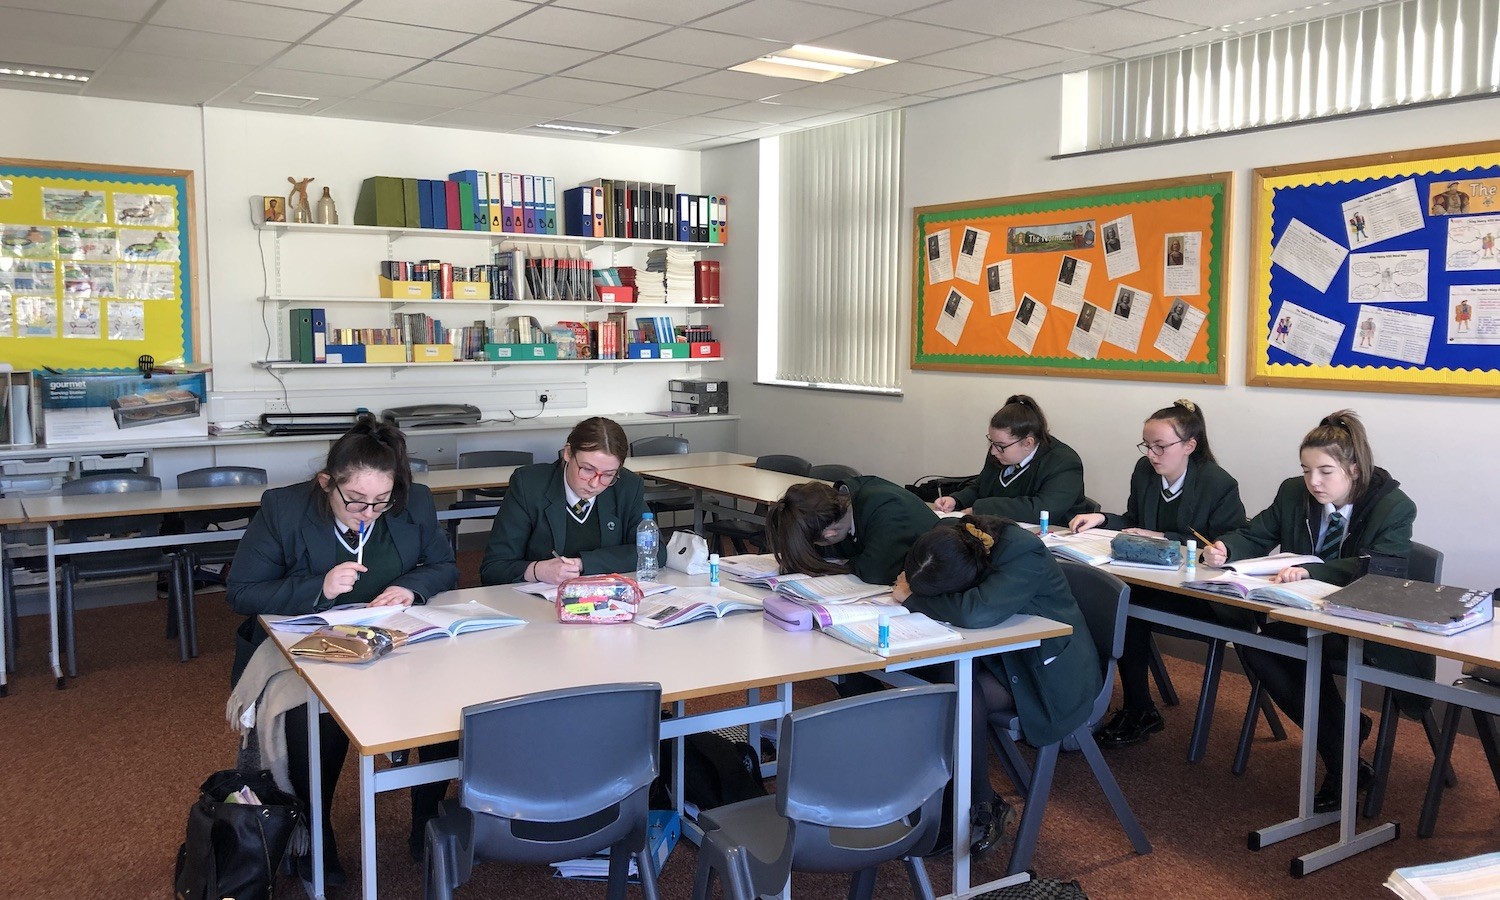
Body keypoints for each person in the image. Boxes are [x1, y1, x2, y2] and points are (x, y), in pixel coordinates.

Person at [226, 413, 459, 881]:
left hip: (393, 638)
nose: (369, 512)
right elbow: (242, 592)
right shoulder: (284, 508)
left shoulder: (412, 502)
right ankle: (317, 833)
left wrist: (410, 588)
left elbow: (444, 566)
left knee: (450, 699)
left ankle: (427, 819)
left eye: (380, 502)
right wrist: (320, 587)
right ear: (326, 483)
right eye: (355, 501)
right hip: (302, 645)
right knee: (314, 715)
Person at [1203, 410, 1417, 812]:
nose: (1313, 482)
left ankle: (1339, 758)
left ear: (1354, 469)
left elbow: (1381, 567)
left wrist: (1312, 569)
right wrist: (1226, 548)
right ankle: (1344, 747)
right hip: (1307, 617)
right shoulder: (1293, 493)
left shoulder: (1393, 506)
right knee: (1258, 647)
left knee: (1298, 653)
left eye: (1325, 471)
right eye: (1306, 470)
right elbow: (1256, 533)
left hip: (1366, 624)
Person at [895, 515, 1100, 858]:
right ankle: (950, 799)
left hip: (1048, 673)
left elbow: (975, 613)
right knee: (934, 683)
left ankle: (979, 805)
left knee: (957, 699)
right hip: (1001, 657)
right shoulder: (952, 539)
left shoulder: (1022, 552)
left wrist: (912, 599)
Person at [1069, 400, 1245, 746]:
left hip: (1202, 594)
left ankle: (1139, 709)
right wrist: (1102, 519)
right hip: (1154, 581)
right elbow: (1134, 522)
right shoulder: (1145, 471)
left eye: (1160, 446)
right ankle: (1095, 701)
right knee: (1105, 598)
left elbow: (1224, 544)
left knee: (1124, 607)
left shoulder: (1217, 483)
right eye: (1147, 445)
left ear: (1189, 446)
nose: (1151, 454)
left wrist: (1163, 537)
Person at [480, 416, 657, 585]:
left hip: (605, 597)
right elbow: (494, 568)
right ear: (568, 453)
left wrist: (582, 563)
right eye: (587, 469)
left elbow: (653, 553)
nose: (594, 483)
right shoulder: (529, 485)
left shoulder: (627, 486)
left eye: (608, 475)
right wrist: (537, 570)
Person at [934, 394, 1089, 522]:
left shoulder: (1064, 462)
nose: (993, 451)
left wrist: (980, 508)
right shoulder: (1000, 452)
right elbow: (981, 487)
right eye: (991, 442)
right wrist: (956, 500)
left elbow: (1041, 509)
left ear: (1028, 443)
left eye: (1000, 445)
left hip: (1056, 535)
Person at [764, 475, 938, 586]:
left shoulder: (885, 508)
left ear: (829, 534)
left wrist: (848, 563)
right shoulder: (839, 505)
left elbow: (876, 572)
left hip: (937, 577)